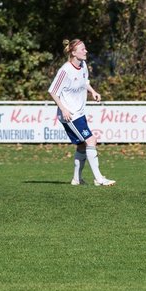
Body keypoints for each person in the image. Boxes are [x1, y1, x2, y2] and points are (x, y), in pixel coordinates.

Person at [48, 38, 115, 186]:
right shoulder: (65, 70)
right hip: (70, 115)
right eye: (82, 49)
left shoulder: (83, 65)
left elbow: (85, 82)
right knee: (91, 140)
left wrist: (93, 92)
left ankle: (76, 179)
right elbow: (53, 91)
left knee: (82, 145)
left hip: (80, 112)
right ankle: (99, 179)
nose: (86, 51)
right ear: (73, 52)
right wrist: (63, 109)